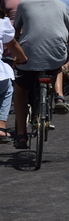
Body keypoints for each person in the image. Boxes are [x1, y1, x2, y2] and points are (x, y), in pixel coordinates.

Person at [12, 0, 69, 148]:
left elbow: (15, 33)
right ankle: (59, 96)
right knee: (58, 66)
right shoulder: (61, 5)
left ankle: (21, 135)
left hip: (29, 57)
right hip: (55, 56)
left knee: (20, 91)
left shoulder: (24, 5)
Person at [0, 10, 29, 143]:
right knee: (7, 90)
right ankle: (1, 127)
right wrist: (22, 58)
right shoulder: (2, 23)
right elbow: (12, 44)